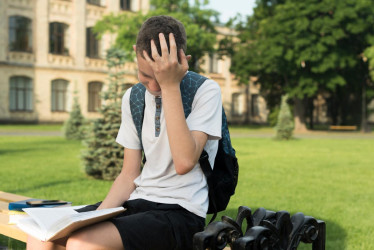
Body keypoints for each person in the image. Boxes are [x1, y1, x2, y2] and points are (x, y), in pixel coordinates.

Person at [27, 15, 222, 250]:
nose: (153, 87)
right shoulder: (133, 97)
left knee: (82, 244)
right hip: (138, 202)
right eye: (146, 76)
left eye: (161, 77)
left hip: (181, 211)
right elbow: (129, 174)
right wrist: (91, 219)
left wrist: (171, 85)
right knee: (40, 233)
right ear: (135, 53)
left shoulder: (205, 91)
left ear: (182, 61)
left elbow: (184, 162)